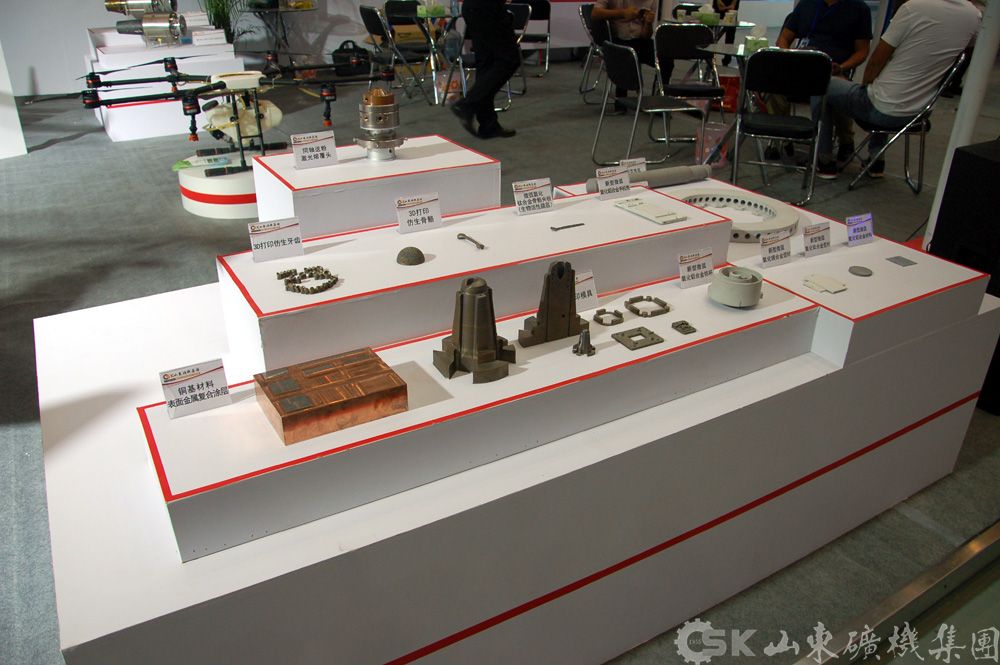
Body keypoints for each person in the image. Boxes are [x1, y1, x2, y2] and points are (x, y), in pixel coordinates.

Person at [815, 0, 980, 178]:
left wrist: (864, 88)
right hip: (919, 113)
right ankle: (876, 161)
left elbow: (877, 60)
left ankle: (824, 161)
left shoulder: (913, 8)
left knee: (821, 83)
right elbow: (968, 51)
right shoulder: (974, 15)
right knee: (887, 90)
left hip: (882, 109)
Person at [772, 0, 872, 165]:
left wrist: (842, 67)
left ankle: (845, 141)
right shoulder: (806, 4)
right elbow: (784, 37)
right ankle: (782, 138)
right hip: (801, 66)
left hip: (834, 69)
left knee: (835, 89)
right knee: (770, 84)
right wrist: (788, 57)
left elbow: (862, 51)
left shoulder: (858, 9)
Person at [449, 0, 520, 139]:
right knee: (509, 59)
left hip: (473, 8)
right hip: (488, 7)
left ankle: (488, 125)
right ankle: (467, 104)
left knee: (487, 63)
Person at [591, 0, 662, 107]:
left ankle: (659, 99)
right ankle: (621, 100)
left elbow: (645, 36)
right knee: (627, 56)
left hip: (639, 40)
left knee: (665, 59)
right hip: (616, 39)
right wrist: (622, 13)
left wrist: (648, 23)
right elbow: (595, 13)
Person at [713, 0, 740, 67]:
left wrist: (733, 3)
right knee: (714, 31)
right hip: (719, 4)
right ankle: (711, 56)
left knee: (730, 33)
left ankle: (727, 59)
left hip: (732, 4)